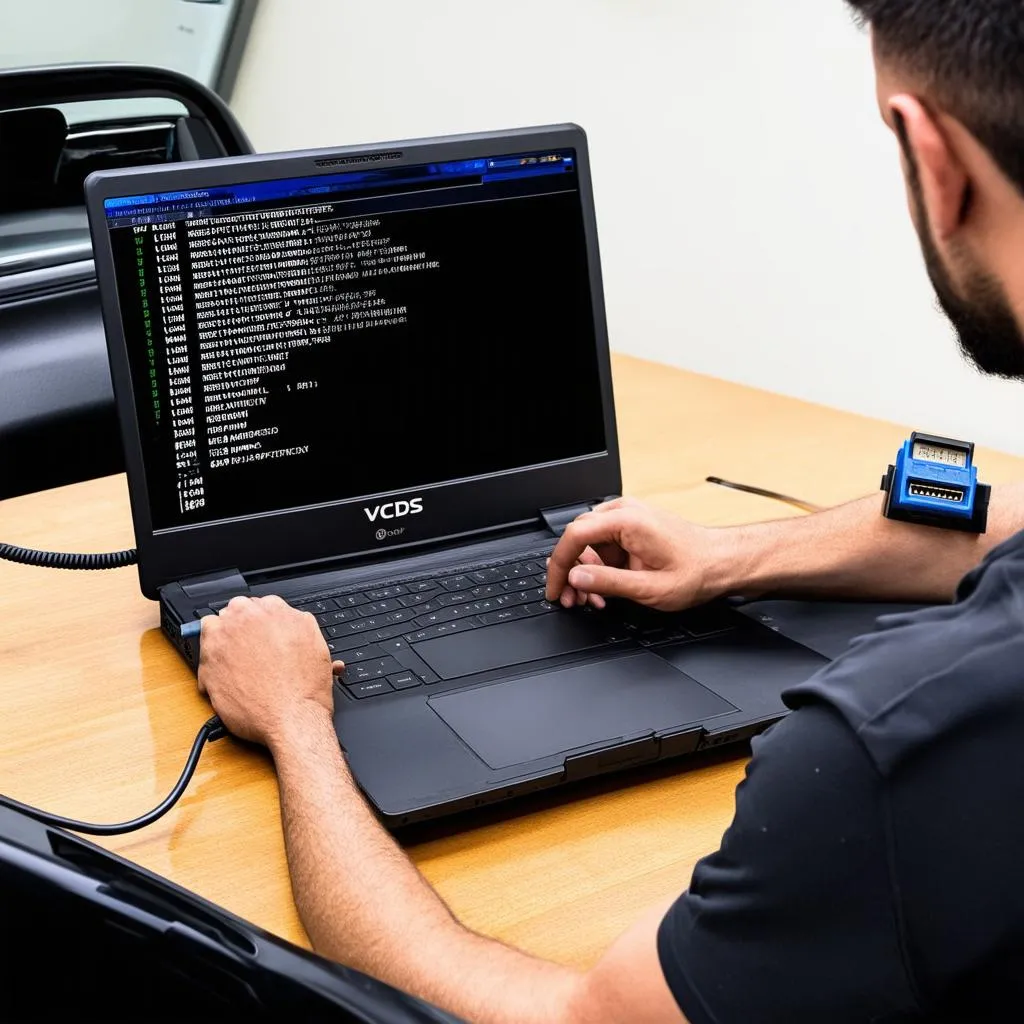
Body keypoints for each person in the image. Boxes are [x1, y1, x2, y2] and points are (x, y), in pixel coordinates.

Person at [197, 2, 1024, 1020]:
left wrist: (297, 720)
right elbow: (996, 514)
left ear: (935, 164)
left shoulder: (890, 747)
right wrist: (729, 556)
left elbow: (570, 1019)